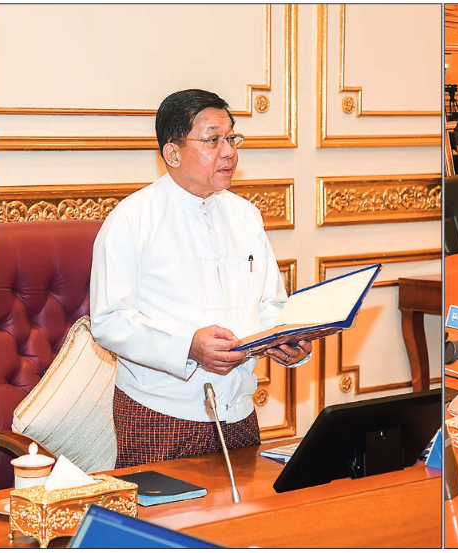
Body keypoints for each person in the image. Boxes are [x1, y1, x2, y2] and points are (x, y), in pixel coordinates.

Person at [90, 89, 313, 468]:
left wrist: (290, 340)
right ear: (173, 153)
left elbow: (270, 304)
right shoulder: (132, 219)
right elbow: (109, 323)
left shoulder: (245, 216)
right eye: (212, 140)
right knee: (164, 527)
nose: (228, 151)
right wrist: (187, 347)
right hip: (160, 415)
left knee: (243, 525)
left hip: (239, 411)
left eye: (231, 138)